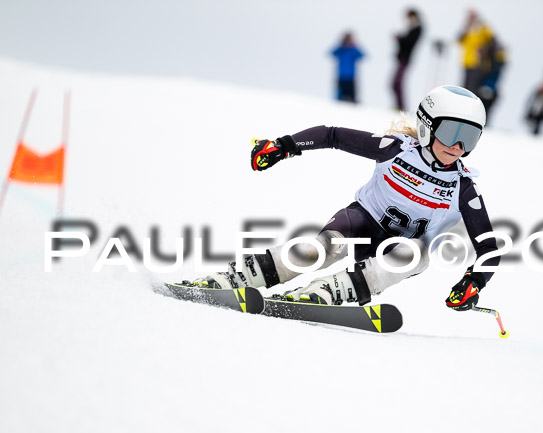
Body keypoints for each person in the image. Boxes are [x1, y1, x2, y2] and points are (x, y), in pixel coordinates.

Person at [193, 86, 499, 312]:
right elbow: (332, 135)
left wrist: (474, 281)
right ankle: (240, 276)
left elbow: (487, 246)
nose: (458, 146)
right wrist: (284, 146)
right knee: (321, 248)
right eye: (451, 132)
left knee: (416, 254)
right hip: (362, 223)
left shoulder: (463, 185)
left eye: (469, 137)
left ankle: (327, 291)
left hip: (398, 248)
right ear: (426, 125)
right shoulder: (394, 149)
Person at [391, 9, 423, 111]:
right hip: (403, 59)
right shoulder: (412, 27)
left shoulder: (416, 28)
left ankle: (401, 108)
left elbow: (409, 43)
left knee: (397, 83)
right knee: (395, 84)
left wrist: (400, 39)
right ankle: (400, 106)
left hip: (405, 59)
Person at [457, 10, 493, 96]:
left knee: (473, 88)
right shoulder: (467, 30)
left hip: (478, 63)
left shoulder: (483, 28)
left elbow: (491, 39)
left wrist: (484, 49)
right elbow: (459, 40)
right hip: (467, 62)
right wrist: (467, 27)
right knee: (465, 87)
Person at [331, 32, 364, 103]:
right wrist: (341, 46)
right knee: (340, 96)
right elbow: (332, 53)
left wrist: (354, 46)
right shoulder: (341, 50)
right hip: (341, 76)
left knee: (352, 96)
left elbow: (362, 55)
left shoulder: (353, 50)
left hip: (351, 76)